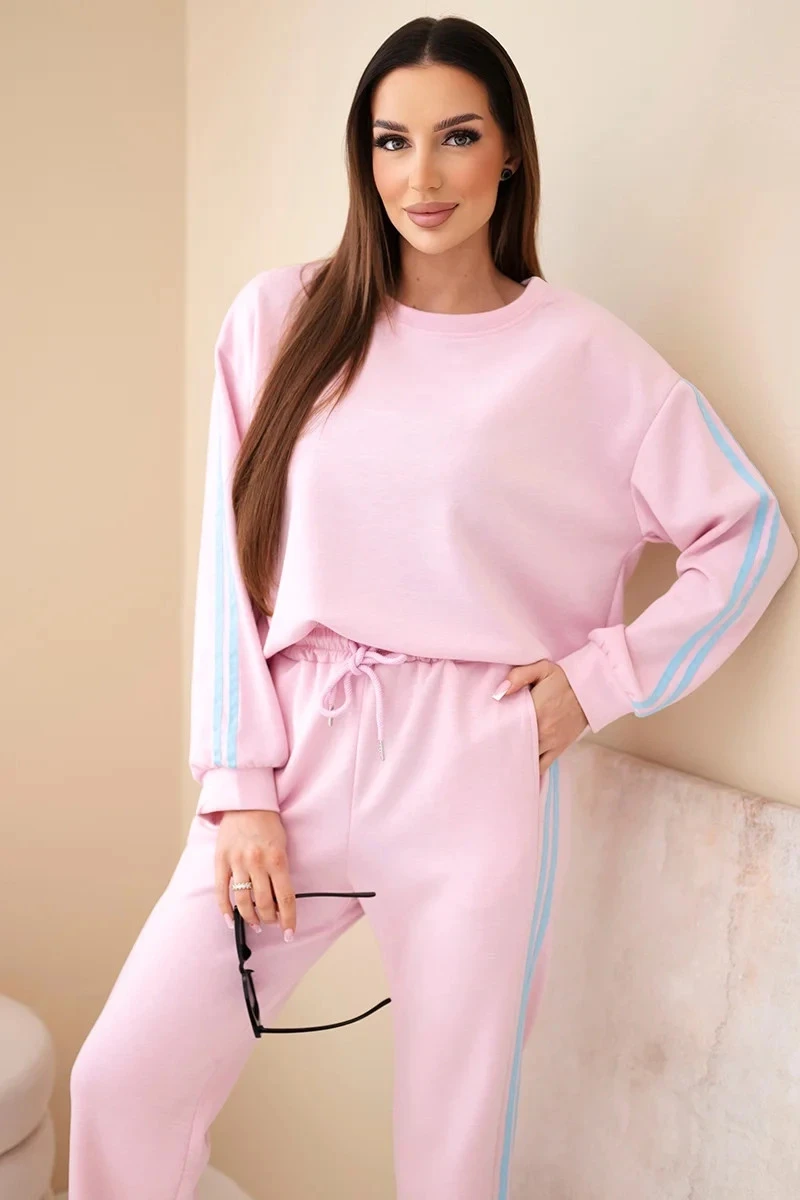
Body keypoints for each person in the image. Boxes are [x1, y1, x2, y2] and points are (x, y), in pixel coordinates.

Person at [67, 14, 798, 1200]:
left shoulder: (586, 359)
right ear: (363, 157)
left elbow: (748, 534)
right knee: (121, 1081)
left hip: (475, 766)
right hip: (295, 749)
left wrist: (595, 683)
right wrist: (237, 786)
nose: (420, 176)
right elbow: (228, 564)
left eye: (456, 137)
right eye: (390, 141)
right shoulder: (280, 320)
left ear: (507, 152)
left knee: (451, 1158)